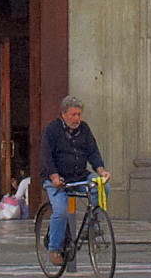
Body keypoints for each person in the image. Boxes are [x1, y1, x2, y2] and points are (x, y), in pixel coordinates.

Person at [39, 97, 103, 258]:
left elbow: (93, 152)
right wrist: (54, 176)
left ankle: (90, 227)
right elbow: (46, 156)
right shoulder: (52, 129)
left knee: (103, 187)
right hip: (58, 179)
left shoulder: (85, 129)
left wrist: (101, 170)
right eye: (73, 115)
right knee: (60, 211)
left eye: (79, 115)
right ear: (63, 114)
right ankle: (54, 249)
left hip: (80, 176)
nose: (77, 119)